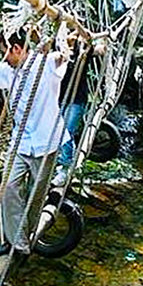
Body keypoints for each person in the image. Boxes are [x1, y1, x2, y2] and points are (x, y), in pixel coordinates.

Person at [0, 26, 69, 256]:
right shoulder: (9, 70)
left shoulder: (44, 63)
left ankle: (28, 236)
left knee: (36, 195)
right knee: (8, 189)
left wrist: (45, 38)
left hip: (47, 142)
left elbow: (61, 55)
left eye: (6, 52)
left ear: (17, 49)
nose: (4, 58)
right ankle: (17, 243)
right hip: (21, 143)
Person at [55, 35, 107, 180]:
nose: (70, 36)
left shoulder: (83, 51)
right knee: (56, 131)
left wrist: (104, 39)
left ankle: (65, 168)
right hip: (58, 99)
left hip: (77, 100)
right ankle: (58, 164)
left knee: (66, 131)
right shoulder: (58, 50)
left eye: (73, 33)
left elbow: (101, 50)